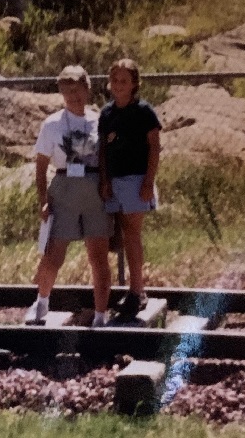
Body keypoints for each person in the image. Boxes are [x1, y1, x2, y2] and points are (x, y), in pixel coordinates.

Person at [26, 65, 113, 328]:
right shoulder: (51, 124)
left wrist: (106, 185)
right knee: (54, 253)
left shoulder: (100, 120)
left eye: (77, 91)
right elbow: (41, 166)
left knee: (98, 255)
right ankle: (41, 301)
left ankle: (100, 315)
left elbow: (106, 158)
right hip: (64, 190)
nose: (73, 97)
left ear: (87, 89)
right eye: (67, 93)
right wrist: (43, 199)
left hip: (94, 189)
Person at [99, 59, 161, 317]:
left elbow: (155, 147)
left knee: (132, 235)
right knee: (122, 235)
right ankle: (133, 290)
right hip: (115, 182)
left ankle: (137, 292)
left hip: (136, 181)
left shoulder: (144, 111)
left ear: (134, 83)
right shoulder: (107, 113)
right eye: (114, 80)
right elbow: (103, 149)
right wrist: (105, 180)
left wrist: (148, 182)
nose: (118, 85)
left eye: (124, 80)